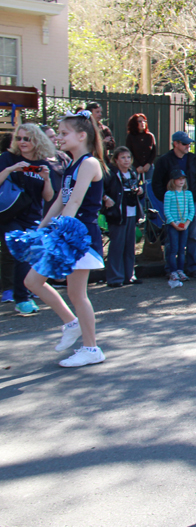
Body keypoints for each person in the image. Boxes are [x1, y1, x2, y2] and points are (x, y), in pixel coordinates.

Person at [24, 111, 107, 367]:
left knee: (77, 293)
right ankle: (72, 324)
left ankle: (91, 348)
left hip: (78, 236)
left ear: (81, 136)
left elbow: (74, 201)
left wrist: (56, 233)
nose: (58, 138)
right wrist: (41, 229)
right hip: (66, 232)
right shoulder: (71, 164)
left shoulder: (89, 163)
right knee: (32, 281)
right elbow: (60, 199)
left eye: (63, 133)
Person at [0, 123, 56, 314]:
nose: (22, 142)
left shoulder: (43, 163)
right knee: (22, 252)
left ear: (36, 140)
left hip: (32, 216)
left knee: (29, 256)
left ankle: (24, 294)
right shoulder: (8, 158)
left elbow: (48, 197)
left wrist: (47, 179)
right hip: (9, 214)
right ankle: (21, 298)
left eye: (27, 139)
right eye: (19, 138)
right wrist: (11, 169)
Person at [152, 131, 196, 278]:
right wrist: (166, 199)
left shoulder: (192, 159)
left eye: (189, 143)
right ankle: (171, 269)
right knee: (172, 239)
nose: (187, 146)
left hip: (190, 204)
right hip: (173, 206)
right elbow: (156, 183)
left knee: (193, 236)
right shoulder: (164, 160)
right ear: (175, 144)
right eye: (184, 143)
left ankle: (192, 266)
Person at [101, 147, 143, 287]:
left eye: (128, 157)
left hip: (131, 213)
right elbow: (100, 188)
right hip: (118, 214)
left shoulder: (132, 173)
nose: (126, 160)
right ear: (116, 159)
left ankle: (129, 275)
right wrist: (106, 198)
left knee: (130, 246)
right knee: (117, 246)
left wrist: (140, 190)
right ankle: (115, 278)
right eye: (123, 158)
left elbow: (137, 188)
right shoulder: (111, 173)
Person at [164, 169, 195, 284]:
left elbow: (192, 210)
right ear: (173, 181)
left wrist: (187, 223)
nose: (181, 181)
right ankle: (173, 271)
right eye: (179, 179)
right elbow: (166, 211)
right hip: (173, 225)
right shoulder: (169, 194)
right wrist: (174, 224)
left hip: (184, 225)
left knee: (182, 249)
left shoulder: (188, 194)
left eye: (183, 179)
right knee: (173, 249)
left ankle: (180, 270)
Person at [125, 113, 157, 178]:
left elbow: (153, 152)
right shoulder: (131, 137)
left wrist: (148, 164)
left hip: (148, 166)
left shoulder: (150, 136)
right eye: (139, 121)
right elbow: (129, 152)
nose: (142, 123)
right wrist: (137, 166)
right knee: (134, 183)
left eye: (144, 121)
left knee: (149, 184)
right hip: (135, 166)